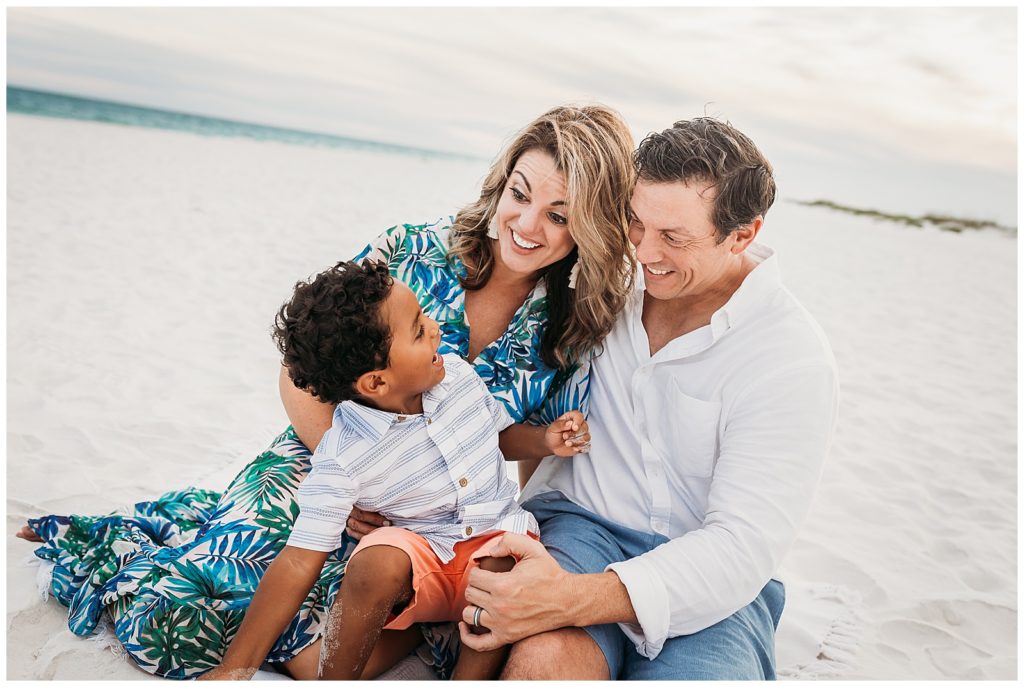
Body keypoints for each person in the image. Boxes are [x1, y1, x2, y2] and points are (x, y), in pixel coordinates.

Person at [17, 104, 636, 679]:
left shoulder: (570, 328)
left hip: (436, 520)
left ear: (590, 225)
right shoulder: (413, 249)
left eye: (559, 215)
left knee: (353, 646)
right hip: (327, 464)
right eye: (519, 195)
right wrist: (356, 483)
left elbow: (515, 449)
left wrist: (497, 526)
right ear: (501, 183)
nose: (527, 225)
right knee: (177, 621)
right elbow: (302, 369)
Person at [453, 117, 839, 680]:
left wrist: (566, 599)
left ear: (742, 235)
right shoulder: (603, 288)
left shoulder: (790, 357)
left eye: (674, 238)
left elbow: (739, 547)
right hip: (579, 527)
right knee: (544, 663)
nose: (644, 252)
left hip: (709, 571)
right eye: (636, 223)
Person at [201, 261, 588, 680]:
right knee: (375, 561)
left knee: (502, 564)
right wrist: (237, 667)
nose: (436, 326)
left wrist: (543, 441)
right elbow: (298, 561)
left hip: (496, 544)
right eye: (419, 330)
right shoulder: (345, 454)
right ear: (376, 384)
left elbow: (495, 435)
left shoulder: (457, 376)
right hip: (426, 561)